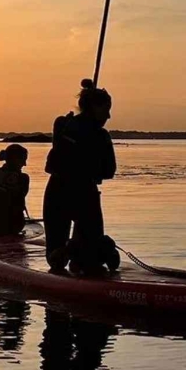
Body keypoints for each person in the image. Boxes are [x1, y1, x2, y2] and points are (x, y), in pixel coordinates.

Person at [43, 79, 121, 275]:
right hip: (80, 194)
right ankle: (87, 248)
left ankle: (79, 249)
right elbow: (108, 171)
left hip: (62, 191)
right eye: (106, 109)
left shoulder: (62, 124)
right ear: (94, 107)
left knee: (58, 258)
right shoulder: (99, 135)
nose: (109, 115)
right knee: (82, 259)